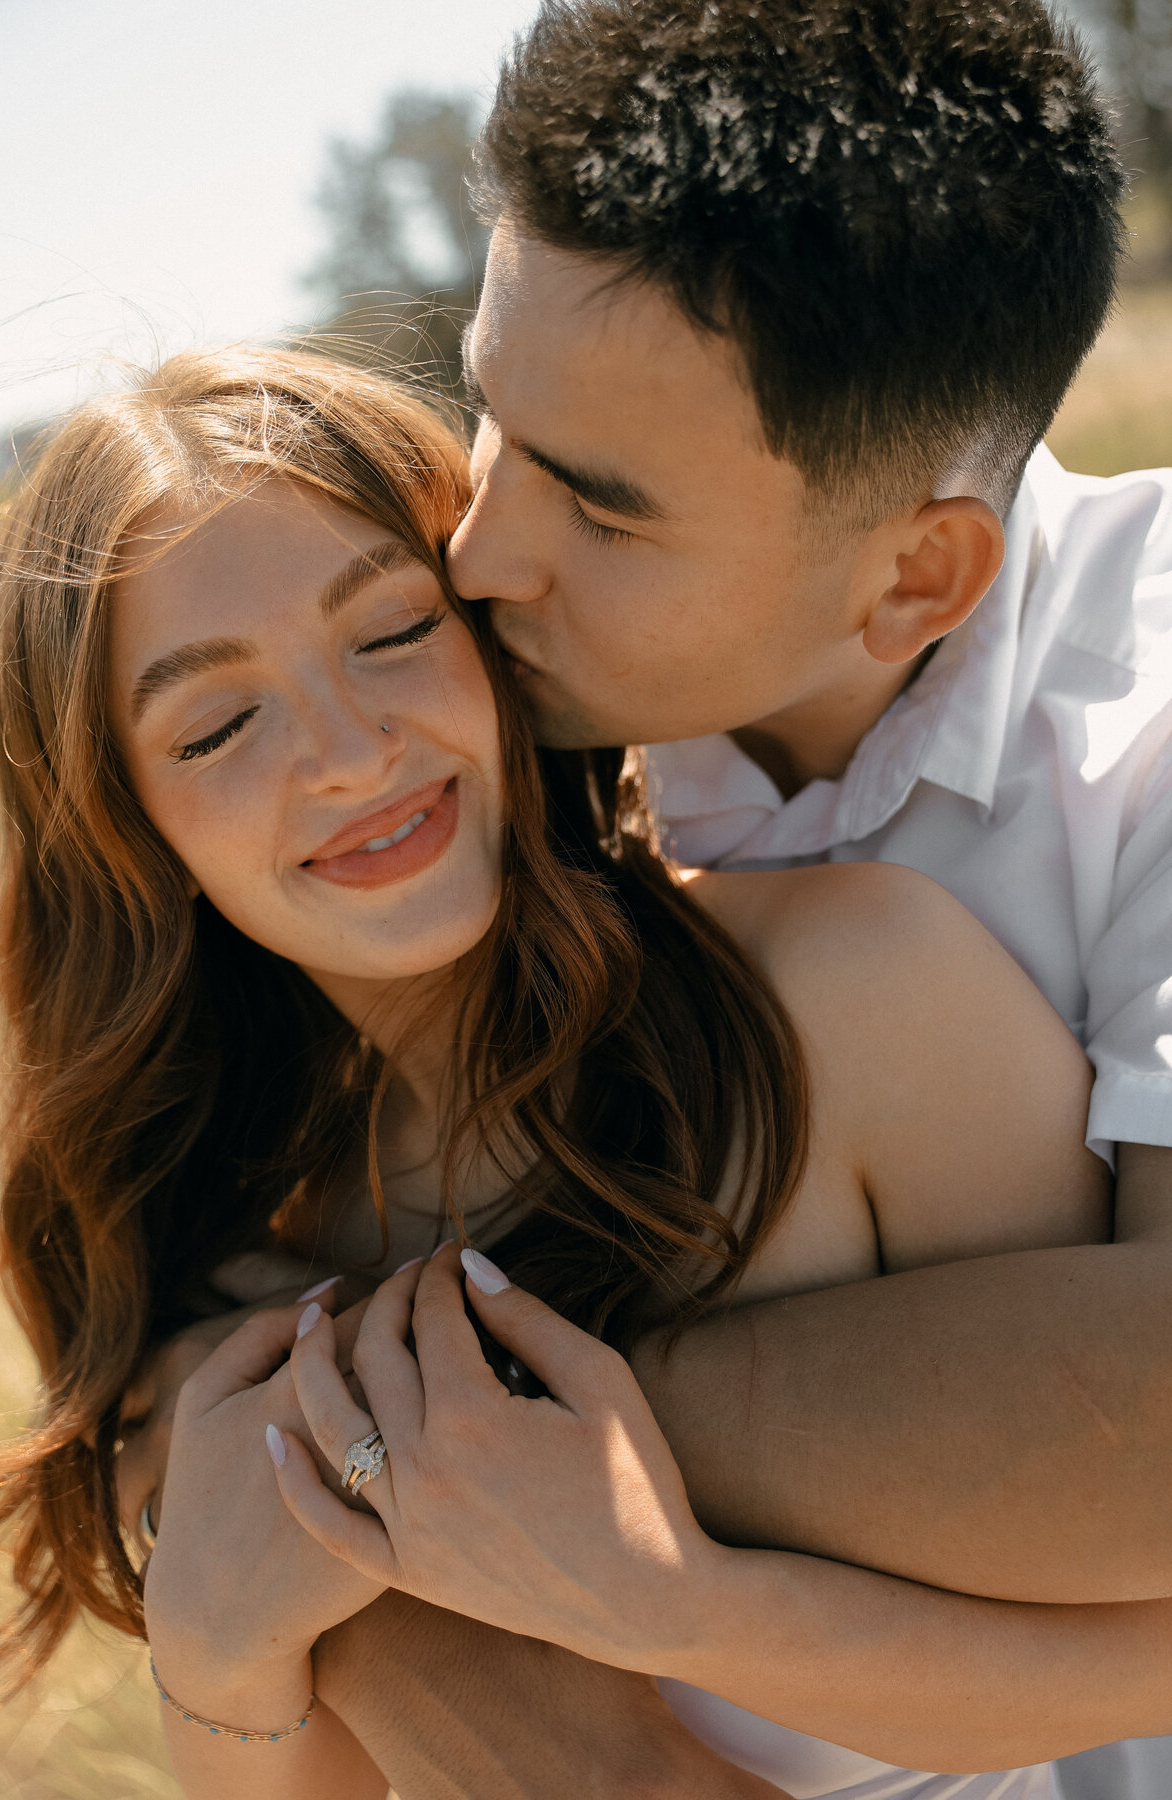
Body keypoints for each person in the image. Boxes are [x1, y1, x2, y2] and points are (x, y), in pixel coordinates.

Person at [0, 345, 1145, 1800]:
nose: (350, 753)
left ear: (493, 637)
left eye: (393, 632)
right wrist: (212, 1664)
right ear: (128, 828)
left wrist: (672, 1600)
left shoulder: (853, 1005)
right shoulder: (252, 1239)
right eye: (216, 725)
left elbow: (1137, 1666)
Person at [247, 2, 1172, 1798]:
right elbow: (174, 1290)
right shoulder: (441, 713)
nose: (475, 548)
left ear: (917, 575)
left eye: (599, 507)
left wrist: (448, 1430)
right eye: (489, 412)